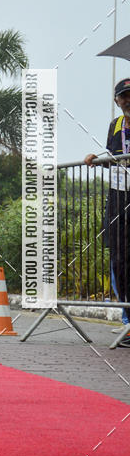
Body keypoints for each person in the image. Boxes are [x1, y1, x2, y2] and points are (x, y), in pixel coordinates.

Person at [85, 77, 130, 346]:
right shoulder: (114, 125)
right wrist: (96, 159)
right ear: (116, 100)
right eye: (124, 96)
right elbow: (113, 159)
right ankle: (128, 320)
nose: (128, 100)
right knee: (118, 258)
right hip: (117, 197)